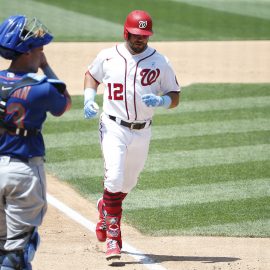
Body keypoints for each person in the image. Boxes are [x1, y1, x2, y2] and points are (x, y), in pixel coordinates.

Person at [84, 10, 180, 261]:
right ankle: (114, 238)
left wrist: (162, 100)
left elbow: (175, 96)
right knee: (114, 179)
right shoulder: (108, 56)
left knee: (128, 183)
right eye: (136, 35)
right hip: (113, 126)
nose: (141, 39)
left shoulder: (160, 61)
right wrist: (88, 99)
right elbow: (91, 76)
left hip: (142, 130)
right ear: (126, 32)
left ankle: (105, 207)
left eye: (145, 35)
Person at [0, 15, 71, 270]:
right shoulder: (41, 88)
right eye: (40, 49)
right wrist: (47, 67)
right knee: (18, 252)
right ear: (28, 51)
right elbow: (64, 103)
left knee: (1, 246)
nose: (42, 53)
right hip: (23, 174)